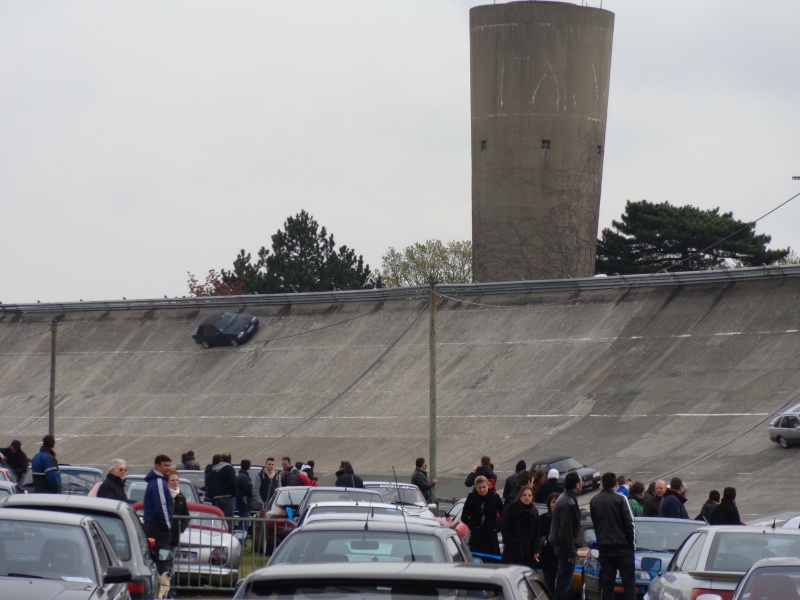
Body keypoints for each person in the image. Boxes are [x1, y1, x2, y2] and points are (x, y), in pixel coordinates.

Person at [590, 472, 636, 600]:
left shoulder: (594, 501)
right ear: (615, 484)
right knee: (629, 583)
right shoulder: (621, 499)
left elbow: (596, 524)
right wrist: (631, 545)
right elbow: (629, 523)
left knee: (607, 583)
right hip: (622, 547)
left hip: (604, 548)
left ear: (602, 484)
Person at [550, 472, 583, 600]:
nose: (582, 485)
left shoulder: (566, 498)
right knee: (564, 583)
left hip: (563, 547)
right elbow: (565, 531)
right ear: (576, 485)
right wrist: (571, 552)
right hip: (564, 549)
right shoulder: (567, 502)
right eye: (580, 483)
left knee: (565, 582)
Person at [143, 455, 173, 575]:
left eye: (170, 466)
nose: (168, 468)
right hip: (158, 529)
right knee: (161, 560)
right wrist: (167, 526)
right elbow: (161, 506)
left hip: (154, 526)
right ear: (157, 466)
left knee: (158, 560)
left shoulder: (156, 482)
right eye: (165, 465)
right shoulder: (158, 483)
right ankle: (161, 589)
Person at [461, 475, 503, 559]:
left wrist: (497, 527)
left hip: (491, 536)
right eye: (479, 488)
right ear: (476, 488)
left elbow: (504, 513)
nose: (482, 490)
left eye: (484, 487)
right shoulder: (471, 498)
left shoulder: (494, 497)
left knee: (493, 562)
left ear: (488, 486)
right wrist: (474, 526)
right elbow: (464, 516)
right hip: (477, 536)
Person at [501, 484, 541, 567]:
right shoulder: (511, 509)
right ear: (520, 496)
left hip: (529, 550)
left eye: (529, 495)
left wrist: (536, 549)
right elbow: (505, 528)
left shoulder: (534, 511)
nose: (527, 497)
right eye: (524, 495)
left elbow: (537, 532)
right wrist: (512, 544)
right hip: (513, 551)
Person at [167, 469, 190, 576]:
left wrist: (181, 527)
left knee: (171, 563)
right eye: (172, 480)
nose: (175, 482)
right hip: (164, 536)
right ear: (167, 481)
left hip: (175, 536)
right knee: (164, 562)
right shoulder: (164, 496)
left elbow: (186, 516)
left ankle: (171, 588)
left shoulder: (181, 497)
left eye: (177, 480)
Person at [538, 492, 560, 596]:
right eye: (552, 502)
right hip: (547, 557)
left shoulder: (564, 518)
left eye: (557, 502)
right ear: (549, 504)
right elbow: (537, 535)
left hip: (561, 555)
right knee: (548, 585)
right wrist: (545, 540)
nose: (554, 504)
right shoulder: (542, 518)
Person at [211, 452, 237, 530]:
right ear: (230, 460)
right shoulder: (229, 468)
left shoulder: (215, 469)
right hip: (227, 497)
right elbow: (233, 483)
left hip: (217, 498)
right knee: (229, 520)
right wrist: (234, 494)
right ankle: (228, 536)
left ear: (222, 459)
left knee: (218, 520)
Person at [236, 459, 254, 533]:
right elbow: (249, 490)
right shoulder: (244, 477)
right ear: (249, 467)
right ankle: (241, 541)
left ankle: (242, 540)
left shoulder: (240, 476)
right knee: (244, 524)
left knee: (243, 523)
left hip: (242, 502)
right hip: (245, 503)